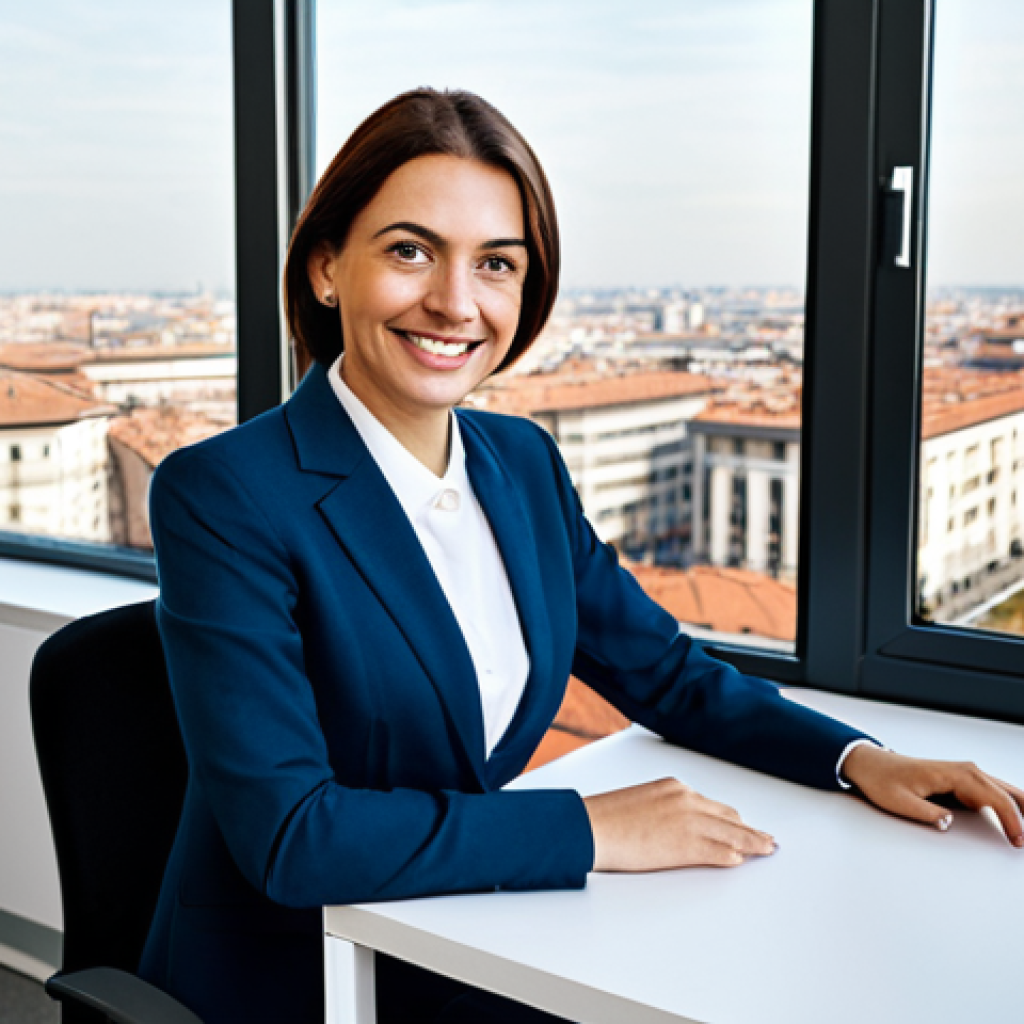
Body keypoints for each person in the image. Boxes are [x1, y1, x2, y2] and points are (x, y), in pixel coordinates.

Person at [139, 88, 1024, 1024]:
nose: (455, 301)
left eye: (496, 264)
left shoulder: (519, 462)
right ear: (326, 268)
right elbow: (294, 837)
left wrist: (854, 760)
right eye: (409, 251)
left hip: (477, 931)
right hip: (306, 972)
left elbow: (667, 675)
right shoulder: (225, 493)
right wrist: (591, 828)